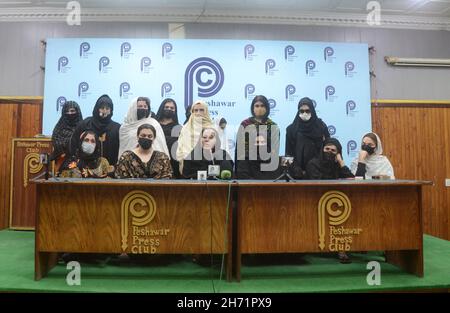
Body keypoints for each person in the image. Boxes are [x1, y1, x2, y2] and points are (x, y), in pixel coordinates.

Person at [305, 137, 354, 264]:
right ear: (322, 149)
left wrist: (341, 162)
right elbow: (319, 182)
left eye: (333, 151)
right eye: (327, 149)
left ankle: (341, 248)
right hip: (315, 201)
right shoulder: (313, 163)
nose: (329, 152)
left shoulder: (337, 165)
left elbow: (350, 179)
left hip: (335, 202)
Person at [286, 97, 330, 179]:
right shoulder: (291, 129)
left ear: (312, 111)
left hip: (318, 171)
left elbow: (327, 148)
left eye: (307, 111)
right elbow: (289, 152)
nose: (304, 113)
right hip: (297, 173)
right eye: (301, 111)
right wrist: (295, 168)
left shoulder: (321, 126)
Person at [70, 94, 120, 165]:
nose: (104, 111)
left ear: (111, 111)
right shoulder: (85, 124)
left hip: (110, 171)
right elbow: (74, 145)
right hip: (86, 169)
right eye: (102, 108)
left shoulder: (117, 128)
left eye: (107, 109)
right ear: (97, 108)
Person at [236, 95, 280, 176]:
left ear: (267, 108)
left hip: (267, 163)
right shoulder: (245, 124)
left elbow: (274, 150)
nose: (259, 108)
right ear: (252, 108)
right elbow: (240, 149)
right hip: (248, 164)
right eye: (257, 106)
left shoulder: (273, 126)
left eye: (262, 106)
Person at [176, 100, 215, 174]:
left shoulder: (213, 128)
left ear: (206, 111)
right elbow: (181, 147)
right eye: (195, 110)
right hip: (189, 165)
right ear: (192, 112)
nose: (198, 113)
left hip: (209, 164)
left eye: (201, 110)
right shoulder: (186, 128)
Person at [50, 101, 83, 172]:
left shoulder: (82, 127)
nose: (70, 113)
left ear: (77, 111)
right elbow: (55, 140)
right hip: (62, 160)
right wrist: (63, 150)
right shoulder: (59, 127)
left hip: (79, 163)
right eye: (67, 111)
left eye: (72, 111)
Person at [155, 98, 182, 178]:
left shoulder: (179, 127)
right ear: (162, 108)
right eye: (166, 107)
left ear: (175, 111)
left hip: (173, 161)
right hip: (156, 159)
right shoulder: (154, 124)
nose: (169, 109)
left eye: (172, 108)